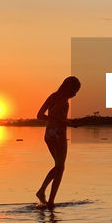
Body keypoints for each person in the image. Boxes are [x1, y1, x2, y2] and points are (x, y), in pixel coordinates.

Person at [35, 76, 80, 206]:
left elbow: (40, 115)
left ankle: (46, 195)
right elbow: (43, 116)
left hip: (49, 134)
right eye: (75, 90)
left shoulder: (53, 96)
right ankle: (48, 197)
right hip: (58, 134)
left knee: (59, 166)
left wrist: (65, 122)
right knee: (60, 167)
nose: (75, 93)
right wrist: (66, 123)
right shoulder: (62, 99)